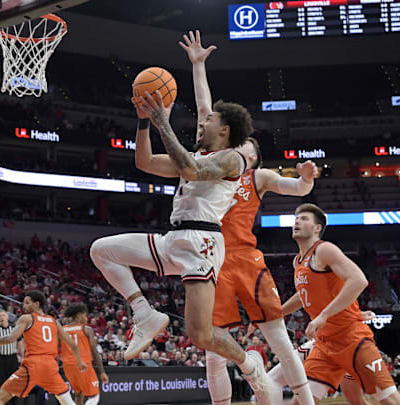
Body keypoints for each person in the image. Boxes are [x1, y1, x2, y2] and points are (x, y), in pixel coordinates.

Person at [89, 30, 275, 402]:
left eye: (207, 124)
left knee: (201, 336)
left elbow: (190, 169)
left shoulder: (232, 159)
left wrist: (163, 123)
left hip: (203, 242)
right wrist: (146, 119)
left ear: (224, 131)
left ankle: (250, 365)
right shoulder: (202, 152)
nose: (199, 123)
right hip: (174, 238)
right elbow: (144, 161)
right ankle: (144, 313)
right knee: (101, 250)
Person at [178, 31, 320, 405]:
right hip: (212, 256)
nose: (242, 150)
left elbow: (299, 193)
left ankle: (305, 402)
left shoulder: (258, 176)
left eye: (247, 148)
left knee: (279, 338)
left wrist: (305, 179)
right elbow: (204, 107)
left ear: (253, 154)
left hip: (245, 258)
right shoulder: (212, 162)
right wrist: (198, 66)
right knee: (212, 350)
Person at [283, 203, 400, 404]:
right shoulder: (297, 261)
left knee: (388, 400)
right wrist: (279, 313)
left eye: (304, 218)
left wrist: (323, 315)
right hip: (324, 344)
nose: (297, 221)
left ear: (317, 228)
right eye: (296, 218)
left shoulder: (324, 249)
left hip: (351, 338)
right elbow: (303, 294)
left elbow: (359, 280)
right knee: (301, 401)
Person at [0, 291, 87, 405]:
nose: (24, 306)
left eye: (27, 303)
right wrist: (79, 361)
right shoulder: (54, 321)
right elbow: (73, 344)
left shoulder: (27, 318)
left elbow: (11, 338)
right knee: (67, 401)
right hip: (51, 365)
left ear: (36, 304)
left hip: (33, 364)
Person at [266, 310, 376, 404]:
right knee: (271, 380)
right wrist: (276, 314)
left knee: (357, 401)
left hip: (344, 345)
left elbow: (358, 285)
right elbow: (301, 296)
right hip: (319, 343)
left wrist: (355, 314)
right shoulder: (307, 288)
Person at [61, 303, 109, 405]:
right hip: (83, 365)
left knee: (78, 394)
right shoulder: (86, 329)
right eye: (85, 315)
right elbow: (95, 352)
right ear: (79, 315)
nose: (87, 318)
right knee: (95, 396)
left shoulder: (62, 329)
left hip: (68, 366)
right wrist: (102, 372)